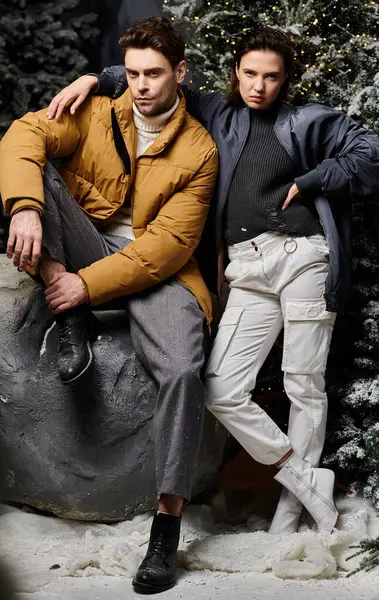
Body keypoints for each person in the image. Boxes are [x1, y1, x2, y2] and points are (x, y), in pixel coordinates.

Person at [47, 25, 379, 538]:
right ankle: (306, 481)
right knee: (222, 390)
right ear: (235, 72)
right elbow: (155, 75)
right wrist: (94, 78)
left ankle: (290, 516)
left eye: (272, 77)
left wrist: (311, 179)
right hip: (246, 268)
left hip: (302, 256)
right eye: (250, 73)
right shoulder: (216, 112)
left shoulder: (308, 121)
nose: (259, 86)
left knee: (304, 385)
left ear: (286, 80)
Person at [0, 16, 219, 595]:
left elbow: (166, 249)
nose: (143, 85)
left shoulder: (199, 150)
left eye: (156, 74)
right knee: (36, 168)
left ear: (180, 73)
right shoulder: (98, 110)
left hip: (158, 271)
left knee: (181, 370)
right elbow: (24, 134)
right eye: (135, 73)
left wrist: (86, 287)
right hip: (85, 241)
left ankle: (166, 525)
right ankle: (60, 295)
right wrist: (23, 207)